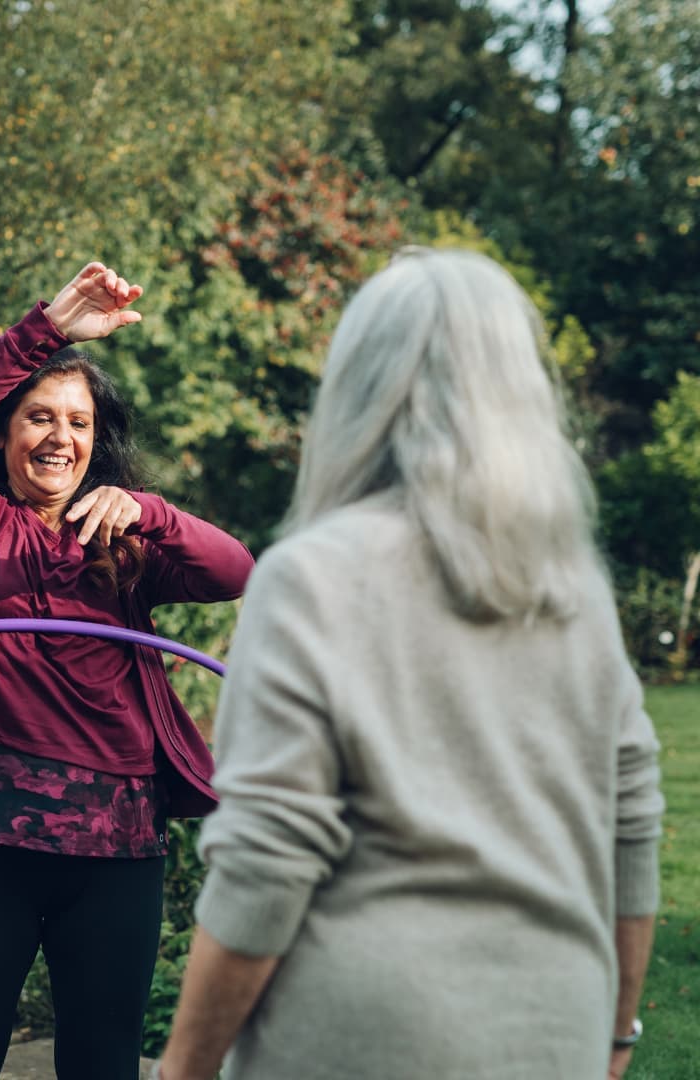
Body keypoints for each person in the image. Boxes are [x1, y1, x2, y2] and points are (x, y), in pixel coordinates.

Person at [154, 247, 665, 1080]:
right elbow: (632, 827)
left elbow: (267, 863)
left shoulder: (311, 575)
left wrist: (183, 1069)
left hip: (356, 1038)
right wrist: (613, 1036)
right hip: (555, 1030)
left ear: (358, 388)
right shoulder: (574, 590)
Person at [0, 262, 254, 1080]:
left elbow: (237, 574)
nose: (60, 438)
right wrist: (45, 329)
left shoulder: (128, 548)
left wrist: (150, 513)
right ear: (5, 434)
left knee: (102, 1063)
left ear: (98, 440)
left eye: (79, 423)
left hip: (119, 842)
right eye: (39, 418)